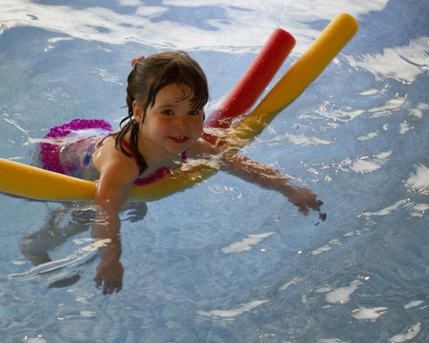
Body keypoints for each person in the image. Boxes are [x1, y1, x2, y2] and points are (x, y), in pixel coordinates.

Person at [31, 51, 324, 294]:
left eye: (194, 111)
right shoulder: (121, 163)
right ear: (139, 111)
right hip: (65, 160)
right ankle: (34, 247)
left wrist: (290, 189)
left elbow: (236, 163)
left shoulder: (185, 141)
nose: (183, 125)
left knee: (126, 195)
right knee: (81, 219)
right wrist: (111, 258)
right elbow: (105, 215)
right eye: (168, 112)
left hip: (100, 141)